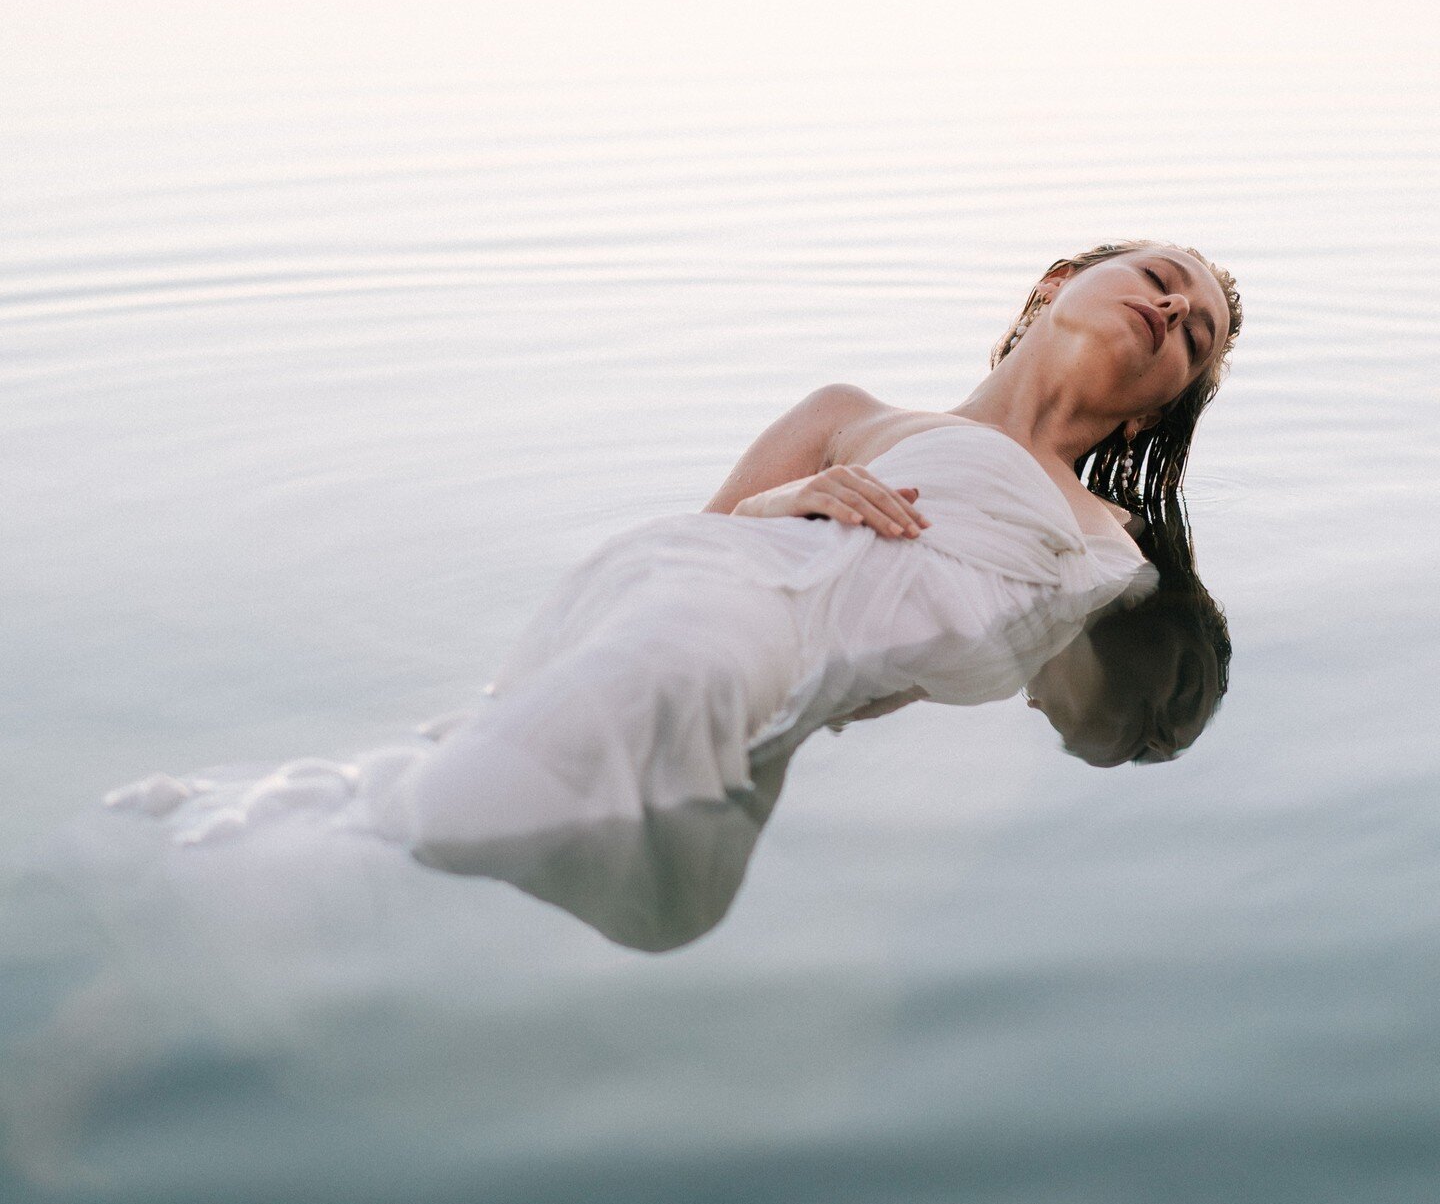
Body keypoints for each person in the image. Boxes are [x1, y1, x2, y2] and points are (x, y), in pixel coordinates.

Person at [104, 238, 1241, 866]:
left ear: (1150, 416)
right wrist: (790, 498)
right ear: (1055, 285)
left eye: (1195, 334)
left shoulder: (1120, 544)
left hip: (799, 695)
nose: (1174, 306)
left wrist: (1151, 716)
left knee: (446, 824)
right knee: (461, 799)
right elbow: (693, 547)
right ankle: (206, 896)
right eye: (1158, 276)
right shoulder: (852, 411)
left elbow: (1069, 702)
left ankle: (186, 926)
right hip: (731, 610)